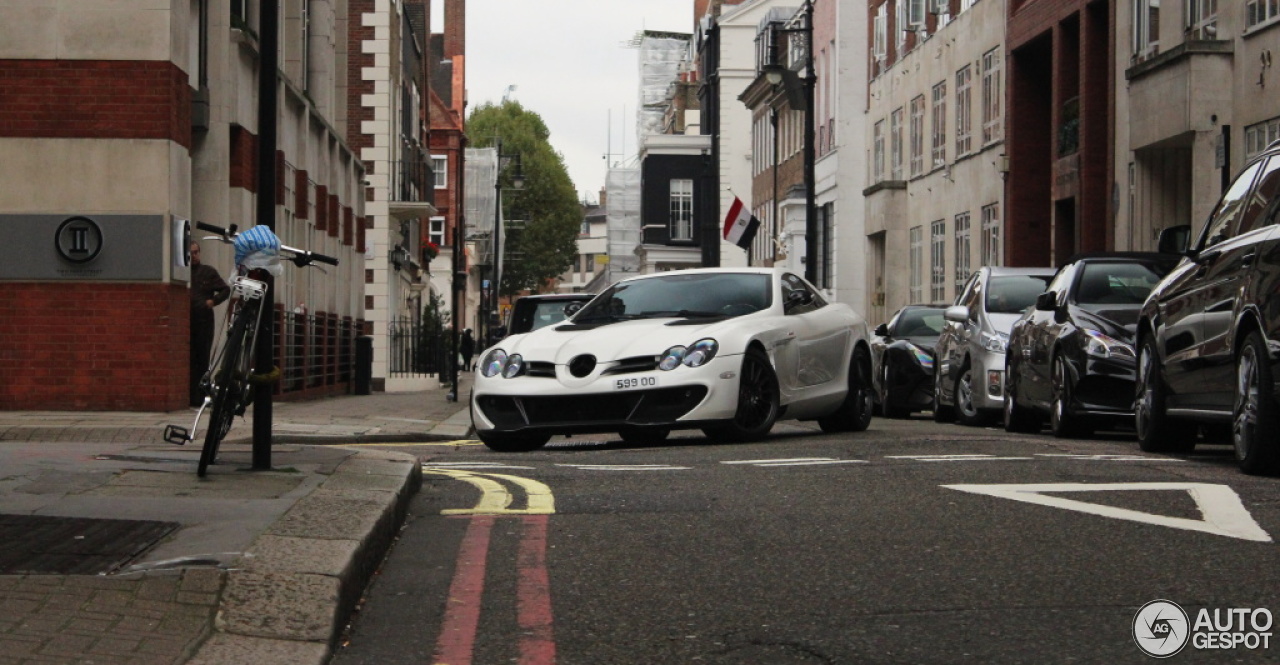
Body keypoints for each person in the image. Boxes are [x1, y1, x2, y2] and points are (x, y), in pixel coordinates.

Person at [189, 241, 230, 406]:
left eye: (196, 252)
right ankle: (190, 396)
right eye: (191, 253)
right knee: (189, 358)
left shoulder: (207, 272)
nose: (194, 256)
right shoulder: (182, 271)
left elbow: (225, 290)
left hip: (203, 320)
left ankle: (200, 397)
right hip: (187, 319)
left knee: (202, 357)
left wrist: (213, 301)